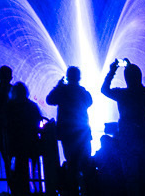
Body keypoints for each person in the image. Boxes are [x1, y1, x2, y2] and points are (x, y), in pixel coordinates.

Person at [102, 61, 145, 196]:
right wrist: (130, 65)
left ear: (126, 78)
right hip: (144, 138)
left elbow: (104, 89)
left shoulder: (122, 95)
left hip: (127, 139)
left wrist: (112, 71)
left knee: (131, 176)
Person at [47, 67, 94, 196]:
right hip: (83, 134)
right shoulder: (82, 92)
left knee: (72, 165)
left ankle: (72, 192)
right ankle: (88, 191)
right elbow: (90, 102)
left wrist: (58, 86)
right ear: (79, 77)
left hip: (68, 135)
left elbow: (49, 100)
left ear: (67, 77)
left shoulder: (62, 91)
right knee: (86, 164)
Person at [0, 82, 43, 196]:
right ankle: (33, 190)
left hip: (15, 143)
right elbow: (38, 120)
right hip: (30, 142)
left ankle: (19, 191)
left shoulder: (10, 106)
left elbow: (5, 121)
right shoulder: (31, 106)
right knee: (31, 169)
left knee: (17, 168)